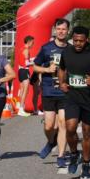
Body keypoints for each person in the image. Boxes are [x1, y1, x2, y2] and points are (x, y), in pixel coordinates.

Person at [58, 26, 90, 179]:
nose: (78, 43)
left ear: (87, 40)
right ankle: (73, 154)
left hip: (89, 98)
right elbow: (62, 68)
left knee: (87, 132)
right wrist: (62, 83)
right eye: (75, 40)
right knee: (70, 128)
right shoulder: (66, 52)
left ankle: (86, 163)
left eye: (81, 41)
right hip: (72, 96)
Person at [32, 18, 71, 167]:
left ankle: (61, 156)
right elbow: (35, 67)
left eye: (64, 29)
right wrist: (47, 69)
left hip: (65, 92)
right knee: (49, 126)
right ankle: (51, 141)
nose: (61, 31)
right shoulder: (46, 48)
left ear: (68, 31)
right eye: (59, 29)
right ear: (55, 30)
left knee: (63, 124)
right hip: (48, 90)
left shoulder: (71, 49)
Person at [16, 35, 35, 117]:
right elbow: (27, 63)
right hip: (24, 70)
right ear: (29, 42)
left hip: (20, 70)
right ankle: (21, 108)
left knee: (22, 89)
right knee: (25, 90)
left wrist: (33, 59)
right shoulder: (26, 50)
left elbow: (24, 61)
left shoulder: (21, 49)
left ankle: (20, 107)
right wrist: (35, 62)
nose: (33, 44)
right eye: (33, 43)